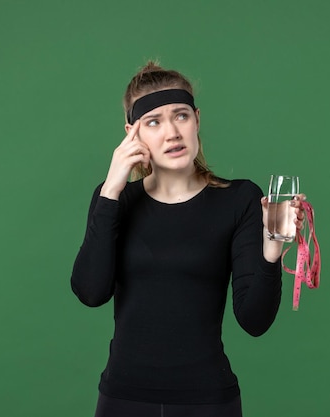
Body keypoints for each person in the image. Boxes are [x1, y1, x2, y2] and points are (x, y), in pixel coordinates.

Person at [71, 61, 306, 417]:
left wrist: (272, 248)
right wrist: (111, 190)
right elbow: (91, 292)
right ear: (132, 135)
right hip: (124, 399)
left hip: (209, 401)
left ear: (196, 119)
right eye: (153, 122)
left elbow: (254, 321)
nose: (172, 133)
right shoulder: (114, 200)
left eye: (180, 116)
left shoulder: (240, 199)